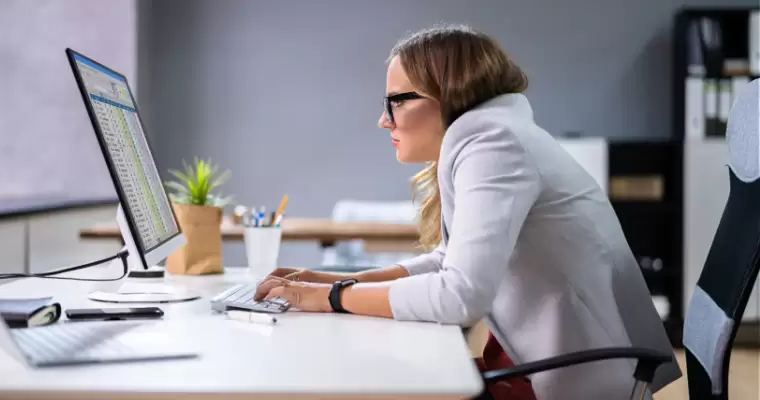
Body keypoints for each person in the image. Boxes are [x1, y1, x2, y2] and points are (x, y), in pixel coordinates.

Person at [254, 24, 681, 399]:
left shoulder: (494, 146)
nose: (384, 121)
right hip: (548, 364)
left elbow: (460, 295)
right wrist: (336, 282)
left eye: (395, 102)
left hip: (577, 380)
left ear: (447, 95)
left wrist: (331, 299)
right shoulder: (493, 136)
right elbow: (448, 259)